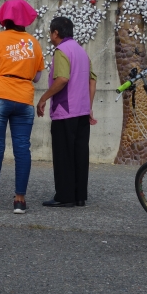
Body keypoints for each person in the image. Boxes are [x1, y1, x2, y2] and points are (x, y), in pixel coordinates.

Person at [0, 0, 44, 214]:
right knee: (22, 149)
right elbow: (38, 76)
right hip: (24, 98)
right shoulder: (33, 42)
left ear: (4, 18)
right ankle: (20, 200)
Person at [37, 16, 97, 208]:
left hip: (65, 111)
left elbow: (62, 78)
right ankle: (79, 196)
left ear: (56, 33)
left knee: (63, 154)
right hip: (81, 111)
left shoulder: (61, 51)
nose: (50, 36)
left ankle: (64, 196)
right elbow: (92, 81)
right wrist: (88, 106)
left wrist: (44, 97)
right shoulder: (82, 51)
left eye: (50, 32)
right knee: (80, 154)